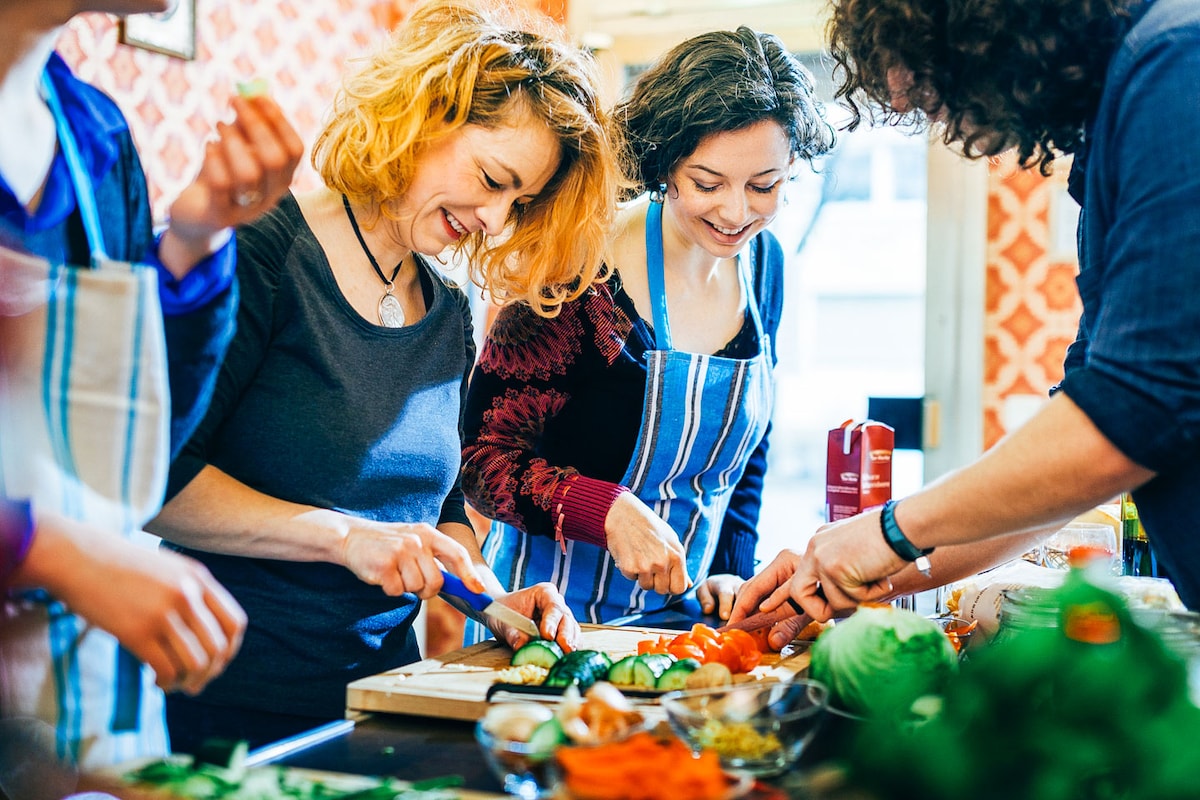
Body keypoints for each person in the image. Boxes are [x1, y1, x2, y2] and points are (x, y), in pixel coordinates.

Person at [147, 0, 620, 752]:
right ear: (426, 114)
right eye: (492, 178)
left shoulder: (449, 309)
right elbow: (155, 486)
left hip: (391, 701)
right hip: (234, 702)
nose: (496, 221)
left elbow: (435, 514)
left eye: (519, 202)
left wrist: (491, 602)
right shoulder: (264, 257)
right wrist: (345, 540)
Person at [730, 0, 1200, 637]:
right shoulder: (1113, 130)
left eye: (932, 87)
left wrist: (893, 529)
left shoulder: (1175, 64)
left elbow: (1129, 417)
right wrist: (864, 568)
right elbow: (1074, 464)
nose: (936, 119)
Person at [0, 0, 302, 769]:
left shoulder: (93, 138)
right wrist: (45, 552)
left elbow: (136, 443)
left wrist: (197, 239)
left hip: (74, 728)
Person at [459, 26, 833, 632]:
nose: (736, 213)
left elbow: (747, 449)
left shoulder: (766, 269)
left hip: (685, 627)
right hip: (547, 625)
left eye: (765, 186)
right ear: (665, 165)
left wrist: (734, 570)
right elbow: (480, 460)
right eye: (706, 184)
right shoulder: (578, 269)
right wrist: (603, 510)